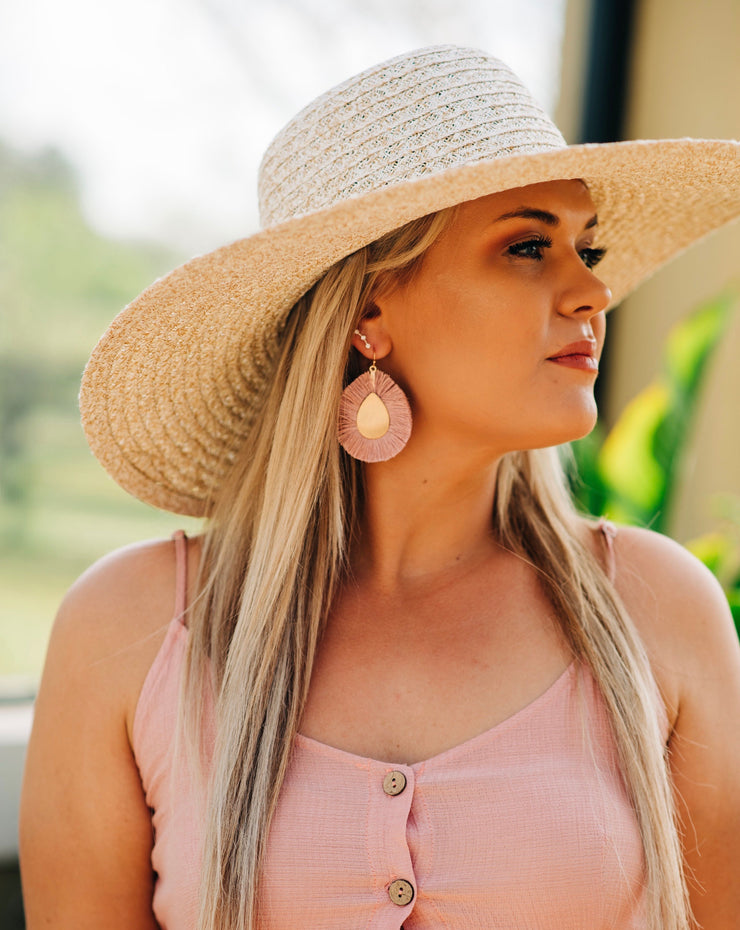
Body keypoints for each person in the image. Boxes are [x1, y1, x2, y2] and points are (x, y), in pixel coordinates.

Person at [19, 45, 740, 930]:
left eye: (584, 248)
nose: (592, 290)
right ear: (368, 313)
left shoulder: (661, 614)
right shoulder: (129, 631)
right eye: (526, 246)